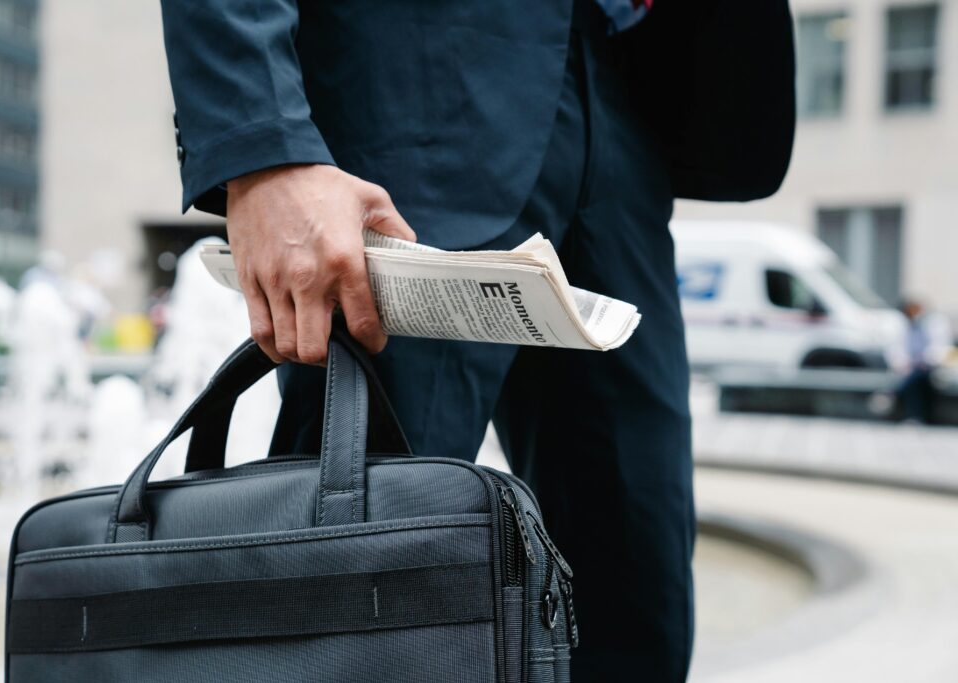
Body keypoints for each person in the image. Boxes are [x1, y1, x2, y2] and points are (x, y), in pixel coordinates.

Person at [159, 1, 795, 680]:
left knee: (639, 585)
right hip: (413, 87)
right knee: (359, 594)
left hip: (622, 84)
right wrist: (263, 143)